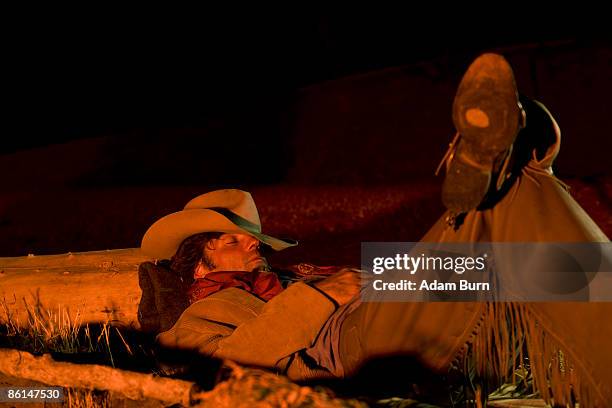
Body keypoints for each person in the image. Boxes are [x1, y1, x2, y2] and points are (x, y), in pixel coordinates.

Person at [139, 54, 611, 406]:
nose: (253, 244)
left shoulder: (291, 275)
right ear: (199, 257)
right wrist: (321, 295)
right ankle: (516, 157)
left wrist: (354, 279)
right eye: (232, 238)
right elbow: (219, 371)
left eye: (254, 237)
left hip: (379, 294)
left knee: (524, 243)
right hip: (344, 343)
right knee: (478, 238)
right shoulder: (194, 319)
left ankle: (520, 160)